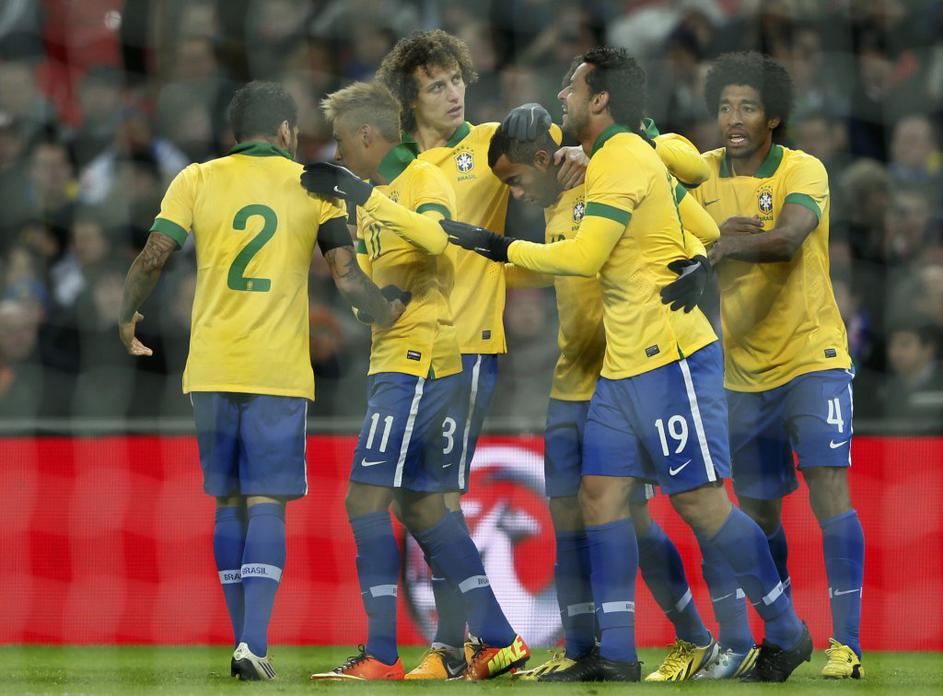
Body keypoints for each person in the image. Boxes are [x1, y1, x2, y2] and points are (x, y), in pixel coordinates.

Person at [445, 47, 810, 683]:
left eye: (572, 87)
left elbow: (586, 257)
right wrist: (697, 255)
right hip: (621, 364)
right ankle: (614, 654)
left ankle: (786, 630)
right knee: (599, 497)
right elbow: (700, 225)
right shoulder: (611, 159)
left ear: (600, 98)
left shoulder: (623, 157)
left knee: (700, 503)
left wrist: (501, 248)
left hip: (670, 355)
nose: (562, 97)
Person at [117, 81, 404, 681]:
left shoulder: (196, 178)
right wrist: (387, 313)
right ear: (285, 132)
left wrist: (126, 313)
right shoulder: (315, 185)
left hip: (211, 367)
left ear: (234, 132)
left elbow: (153, 256)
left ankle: (242, 644)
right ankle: (254, 644)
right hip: (277, 370)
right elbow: (346, 275)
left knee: (227, 502)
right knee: (267, 501)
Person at [492, 108, 736, 682]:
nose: (517, 194)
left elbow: (690, 192)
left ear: (543, 159)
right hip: (571, 379)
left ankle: (694, 636)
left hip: (627, 372)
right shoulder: (554, 203)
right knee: (568, 515)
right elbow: (556, 269)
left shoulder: (610, 168)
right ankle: (581, 650)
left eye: (516, 180)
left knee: (635, 518)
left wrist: (699, 261)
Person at [373, 29, 585, 680]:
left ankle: (484, 639)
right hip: (407, 351)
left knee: (429, 499)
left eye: (455, 80)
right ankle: (456, 644)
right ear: (409, 101)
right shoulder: (393, 168)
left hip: (464, 349)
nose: (453, 93)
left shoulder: (490, 144)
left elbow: (564, 148)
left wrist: (579, 150)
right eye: (435, 86)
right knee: (415, 500)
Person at [301, 81, 529, 682]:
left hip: (419, 362)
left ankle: (380, 654)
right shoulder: (377, 199)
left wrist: (358, 196)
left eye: (343, 141)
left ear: (367, 134)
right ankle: (500, 640)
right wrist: (367, 295)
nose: (340, 153)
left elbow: (434, 236)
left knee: (365, 500)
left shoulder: (422, 178)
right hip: (400, 355)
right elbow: (380, 297)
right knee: (422, 504)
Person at [693, 51, 865, 680]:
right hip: (741, 372)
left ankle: (847, 646)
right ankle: (783, 636)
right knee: (759, 513)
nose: (733, 118)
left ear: (773, 117)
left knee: (828, 486)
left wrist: (721, 244)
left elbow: (789, 239)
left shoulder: (802, 168)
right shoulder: (699, 174)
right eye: (724, 106)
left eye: (748, 106)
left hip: (812, 356)